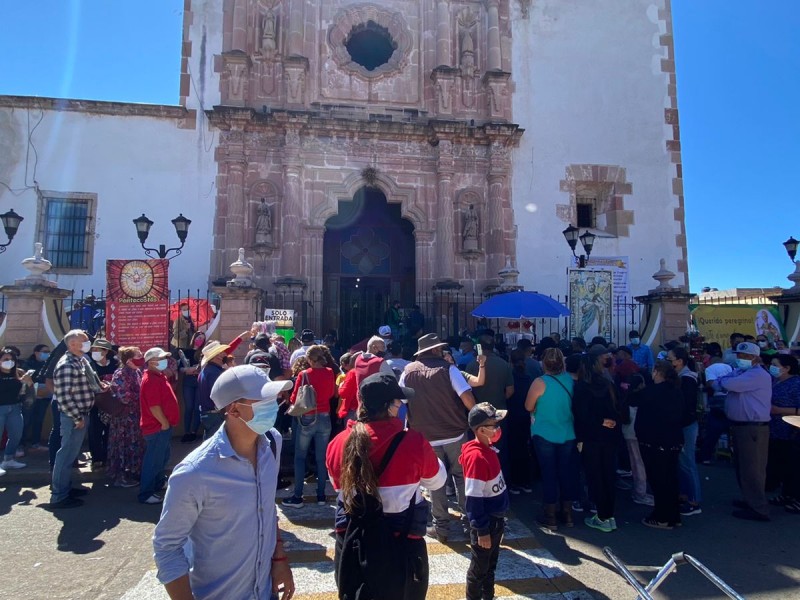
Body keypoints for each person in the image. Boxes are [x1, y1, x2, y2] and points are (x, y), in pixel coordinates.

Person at [153, 365, 295, 600]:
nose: (274, 404)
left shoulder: (272, 442)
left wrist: (278, 559)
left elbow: (267, 510)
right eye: (264, 399)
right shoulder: (194, 473)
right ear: (234, 409)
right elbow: (167, 548)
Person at [325, 372, 445, 600]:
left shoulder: (337, 443)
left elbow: (337, 487)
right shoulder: (413, 442)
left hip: (353, 544)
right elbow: (437, 481)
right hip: (401, 545)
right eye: (398, 403)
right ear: (390, 407)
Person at [400, 333, 476, 542]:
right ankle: (470, 525)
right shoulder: (448, 369)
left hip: (425, 437)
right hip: (455, 433)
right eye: (440, 348)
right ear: (433, 350)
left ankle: (441, 528)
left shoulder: (408, 372)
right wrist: (478, 421)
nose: (443, 351)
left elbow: (401, 401)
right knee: (462, 479)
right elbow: (467, 397)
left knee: (435, 483)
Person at [714, 341, 773, 521]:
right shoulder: (742, 372)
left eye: (745, 356)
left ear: (754, 358)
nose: (740, 359)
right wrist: (725, 381)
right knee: (743, 467)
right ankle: (750, 500)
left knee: (752, 469)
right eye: (739, 355)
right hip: (741, 426)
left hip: (752, 428)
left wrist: (725, 381)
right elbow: (719, 383)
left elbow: (728, 385)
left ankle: (758, 507)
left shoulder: (758, 375)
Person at [49, 330, 107, 509]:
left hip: (82, 414)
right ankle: (59, 496)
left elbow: (91, 380)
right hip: (74, 416)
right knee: (65, 456)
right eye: (83, 341)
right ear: (72, 344)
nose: (88, 343)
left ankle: (66, 488)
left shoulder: (80, 360)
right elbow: (64, 396)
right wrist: (76, 418)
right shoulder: (67, 365)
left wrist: (100, 386)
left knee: (70, 455)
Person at [524, 348, 579, 529]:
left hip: (544, 433)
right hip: (567, 432)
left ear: (544, 363)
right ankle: (568, 514)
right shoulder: (571, 381)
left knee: (549, 474)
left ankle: (550, 516)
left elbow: (528, 406)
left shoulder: (540, 382)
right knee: (566, 473)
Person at [460, 402, 510, 600]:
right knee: (479, 569)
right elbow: (473, 498)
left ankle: (488, 596)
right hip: (487, 522)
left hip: (496, 520)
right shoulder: (477, 458)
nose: (498, 429)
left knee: (490, 566)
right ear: (481, 430)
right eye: (494, 425)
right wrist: (482, 530)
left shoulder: (487, 449)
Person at [628, 360, 684, 529]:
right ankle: (674, 515)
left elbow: (633, 399)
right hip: (673, 440)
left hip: (654, 441)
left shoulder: (652, 391)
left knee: (659, 479)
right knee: (671, 478)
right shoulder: (676, 390)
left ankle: (662, 516)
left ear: (658, 372)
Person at [572, 345, 622, 532]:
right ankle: (608, 514)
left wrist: (599, 422)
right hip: (610, 437)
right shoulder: (608, 384)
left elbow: (581, 414)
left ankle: (602, 516)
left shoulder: (582, 387)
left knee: (595, 476)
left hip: (591, 438)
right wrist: (609, 422)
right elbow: (619, 409)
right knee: (609, 475)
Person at [283, 345, 337, 508]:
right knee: (321, 458)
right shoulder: (329, 372)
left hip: (307, 417)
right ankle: (321, 495)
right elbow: (330, 394)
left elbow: (294, 398)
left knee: (300, 457)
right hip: (325, 417)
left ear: (310, 359)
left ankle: (298, 496)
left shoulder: (304, 374)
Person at [139, 347, 180, 505]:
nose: (164, 361)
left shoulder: (158, 376)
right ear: (151, 362)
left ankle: (157, 483)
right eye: (161, 358)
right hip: (157, 427)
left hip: (162, 426)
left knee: (161, 457)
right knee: (153, 460)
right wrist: (163, 423)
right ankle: (146, 493)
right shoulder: (150, 379)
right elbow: (154, 406)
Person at [466, 336, 514, 471]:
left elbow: (467, 392)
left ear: (479, 348)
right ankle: (502, 480)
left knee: (480, 450)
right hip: (499, 413)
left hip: (478, 416)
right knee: (501, 450)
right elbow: (510, 391)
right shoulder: (504, 364)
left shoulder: (471, 365)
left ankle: (483, 477)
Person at [668, 346, 702, 516]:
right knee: (681, 462)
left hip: (686, 425)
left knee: (688, 462)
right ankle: (683, 495)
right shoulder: (681, 377)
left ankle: (694, 500)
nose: (668, 362)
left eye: (670, 359)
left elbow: (686, 406)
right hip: (682, 424)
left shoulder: (687, 379)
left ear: (679, 361)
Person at [766, 354, 800, 511]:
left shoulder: (796, 384)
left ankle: (796, 499)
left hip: (791, 431)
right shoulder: (775, 382)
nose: (772, 367)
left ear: (787, 368)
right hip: (776, 431)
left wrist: (779, 410)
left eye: (775, 364)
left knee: (794, 467)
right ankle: (786, 494)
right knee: (783, 466)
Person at [108, 346, 145, 488]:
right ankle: (121, 476)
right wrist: (141, 397)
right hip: (124, 418)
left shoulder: (136, 372)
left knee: (134, 445)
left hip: (135, 417)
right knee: (123, 446)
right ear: (129, 360)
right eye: (138, 355)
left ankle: (132, 472)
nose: (141, 357)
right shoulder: (121, 374)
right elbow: (123, 396)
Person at [697, 342, 733, 463]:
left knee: (713, 430)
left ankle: (706, 457)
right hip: (730, 399)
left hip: (717, 400)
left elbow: (710, 384)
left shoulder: (709, 369)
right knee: (731, 428)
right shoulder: (729, 367)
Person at [0, 348, 33, 474]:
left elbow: (29, 392)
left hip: (15, 408)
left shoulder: (19, 373)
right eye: (6, 359)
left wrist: (28, 382)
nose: (9, 362)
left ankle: (8, 459)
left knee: (16, 435)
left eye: (12, 359)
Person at [505, 350, 533, 495]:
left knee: (513, 450)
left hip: (512, 416)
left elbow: (507, 395)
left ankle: (515, 482)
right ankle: (526, 481)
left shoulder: (510, 377)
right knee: (524, 448)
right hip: (526, 416)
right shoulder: (528, 378)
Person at [87, 338, 118, 469]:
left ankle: (108, 457)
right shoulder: (89, 366)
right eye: (93, 350)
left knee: (110, 431)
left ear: (105, 352)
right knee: (94, 431)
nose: (94, 352)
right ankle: (96, 458)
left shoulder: (115, 364)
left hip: (111, 403)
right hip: (95, 403)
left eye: (97, 350)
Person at [197, 341, 231, 439]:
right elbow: (218, 395)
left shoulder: (208, 370)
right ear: (217, 356)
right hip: (215, 415)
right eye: (222, 352)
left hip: (209, 414)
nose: (225, 353)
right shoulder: (214, 373)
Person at [22, 344, 51, 451]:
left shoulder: (48, 364)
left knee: (39, 420)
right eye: (44, 351)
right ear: (36, 352)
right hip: (30, 396)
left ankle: (36, 443)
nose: (47, 353)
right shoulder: (28, 364)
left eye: (48, 351)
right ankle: (21, 444)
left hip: (44, 396)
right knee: (26, 420)